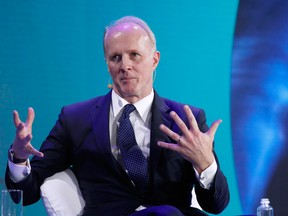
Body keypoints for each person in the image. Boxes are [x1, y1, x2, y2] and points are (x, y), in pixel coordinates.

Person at [5, 16, 230, 216]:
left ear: (154, 60)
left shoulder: (185, 118)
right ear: (107, 64)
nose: (125, 66)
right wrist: (18, 158)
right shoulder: (75, 119)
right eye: (115, 57)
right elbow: (27, 192)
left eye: (134, 55)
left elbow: (215, 206)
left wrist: (205, 163)